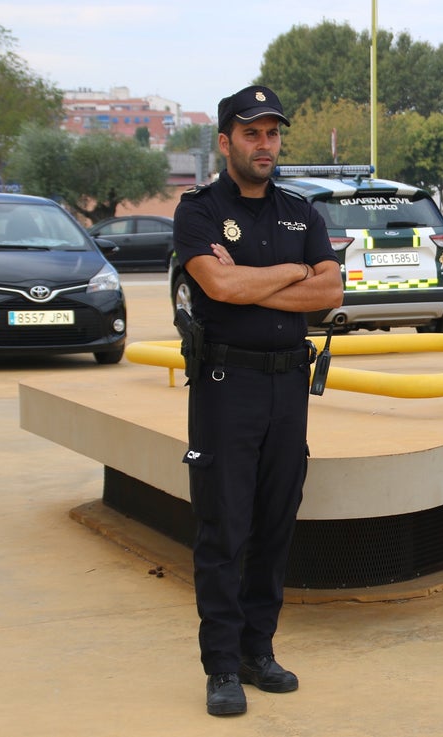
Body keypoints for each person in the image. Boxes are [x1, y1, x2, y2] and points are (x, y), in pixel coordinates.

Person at [172, 84, 344, 716]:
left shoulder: (301, 212)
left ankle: (257, 651)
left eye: (272, 133)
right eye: (251, 133)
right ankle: (221, 665)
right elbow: (216, 285)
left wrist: (252, 282)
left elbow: (331, 292)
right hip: (226, 387)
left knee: (275, 523)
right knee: (224, 527)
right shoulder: (198, 211)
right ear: (226, 142)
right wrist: (294, 272)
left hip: (288, 385)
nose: (264, 144)